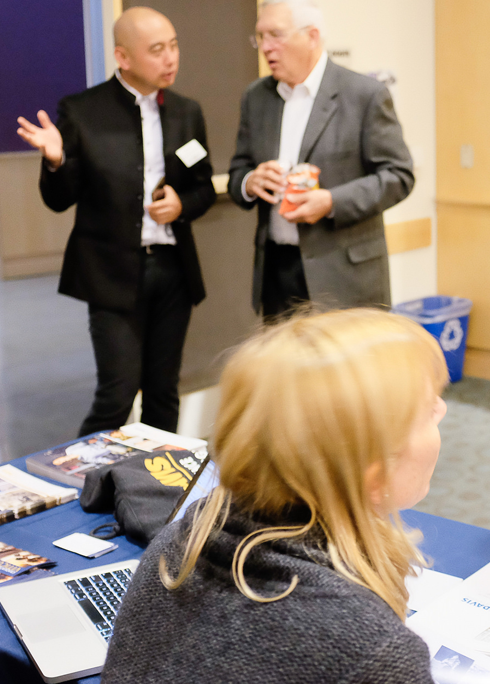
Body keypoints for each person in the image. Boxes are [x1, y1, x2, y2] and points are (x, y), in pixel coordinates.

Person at [102, 308, 448, 682]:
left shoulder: (176, 542)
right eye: (429, 410)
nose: (443, 409)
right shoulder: (374, 651)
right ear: (373, 473)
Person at [15, 7, 215, 436]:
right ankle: (83, 474)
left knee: (163, 392)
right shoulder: (82, 111)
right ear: (123, 57)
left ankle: (158, 475)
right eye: (157, 50)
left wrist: (181, 204)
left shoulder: (187, 112)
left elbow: (203, 187)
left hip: (173, 272)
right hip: (112, 273)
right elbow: (58, 200)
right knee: (117, 394)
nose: (171, 58)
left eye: (174, 46)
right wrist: (56, 160)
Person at [228, 0, 415, 320]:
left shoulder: (363, 94)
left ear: (312, 36)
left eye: (276, 35)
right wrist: (249, 181)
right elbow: (238, 171)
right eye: (260, 37)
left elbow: (399, 176)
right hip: (277, 272)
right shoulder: (256, 97)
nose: (266, 47)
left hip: (344, 274)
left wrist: (331, 202)